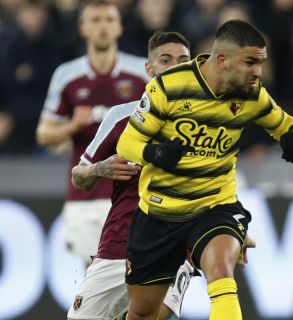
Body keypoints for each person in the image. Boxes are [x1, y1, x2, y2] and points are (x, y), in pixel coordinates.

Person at [116, 19, 293, 320]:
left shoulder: (252, 93)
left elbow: (283, 122)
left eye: (261, 63)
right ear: (222, 60)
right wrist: (154, 152)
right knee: (143, 312)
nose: (258, 72)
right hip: (159, 213)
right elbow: (127, 143)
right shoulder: (168, 87)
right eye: (250, 63)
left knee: (221, 270)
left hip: (214, 205)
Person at [67, 31, 192, 320]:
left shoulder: (205, 122)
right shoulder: (122, 116)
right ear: (149, 69)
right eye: (165, 60)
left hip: (174, 246)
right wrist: (100, 169)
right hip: (120, 244)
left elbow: (218, 184)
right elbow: (79, 175)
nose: (175, 66)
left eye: (183, 60)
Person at [36, 0, 150, 265]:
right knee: (94, 279)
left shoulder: (142, 73)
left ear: (119, 28)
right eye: (95, 20)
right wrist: (72, 125)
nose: (102, 27)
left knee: (137, 278)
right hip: (86, 193)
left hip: (135, 192)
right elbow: (43, 134)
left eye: (109, 20)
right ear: (82, 29)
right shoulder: (67, 75)